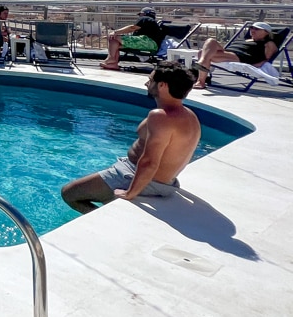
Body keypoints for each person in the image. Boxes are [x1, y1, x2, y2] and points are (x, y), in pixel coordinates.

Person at [61, 61, 200, 213]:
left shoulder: (160, 117)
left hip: (141, 178)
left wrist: (130, 193)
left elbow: (149, 162)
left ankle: (106, 221)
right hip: (162, 181)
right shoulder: (188, 115)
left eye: (151, 80)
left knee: (69, 193)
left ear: (162, 86)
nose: (147, 83)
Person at [191, 21, 279, 89]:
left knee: (205, 49)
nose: (253, 30)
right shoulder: (246, 40)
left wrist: (254, 65)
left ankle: (201, 78)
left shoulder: (269, 43)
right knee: (207, 46)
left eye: (257, 29)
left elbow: (267, 59)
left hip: (240, 56)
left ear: (267, 32)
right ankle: (202, 71)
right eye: (252, 28)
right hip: (228, 52)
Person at [100, 7, 165, 70]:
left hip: (148, 42)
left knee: (113, 37)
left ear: (144, 14)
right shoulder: (151, 23)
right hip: (151, 45)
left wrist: (115, 32)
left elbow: (132, 28)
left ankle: (111, 59)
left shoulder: (145, 18)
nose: (139, 16)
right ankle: (113, 64)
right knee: (115, 42)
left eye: (140, 14)